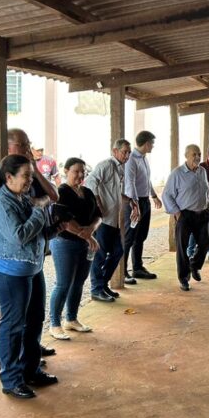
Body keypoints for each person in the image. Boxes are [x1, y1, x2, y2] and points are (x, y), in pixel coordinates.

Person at [0, 154, 67, 400]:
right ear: (9, 177)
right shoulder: (1, 203)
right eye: (26, 176)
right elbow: (18, 236)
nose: (30, 180)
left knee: (35, 319)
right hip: (8, 273)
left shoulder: (20, 198)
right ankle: (11, 379)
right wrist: (40, 213)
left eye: (31, 175)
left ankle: (30, 370)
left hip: (30, 268)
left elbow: (33, 234)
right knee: (14, 325)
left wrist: (54, 229)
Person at [48, 158, 101, 341]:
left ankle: (71, 319)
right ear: (66, 171)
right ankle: (54, 323)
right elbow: (64, 219)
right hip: (64, 242)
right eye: (76, 171)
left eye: (83, 171)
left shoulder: (87, 192)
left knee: (78, 282)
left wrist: (91, 230)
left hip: (84, 243)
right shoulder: (61, 191)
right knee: (63, 283)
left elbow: (98, 216)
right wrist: (86, 234)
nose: (80, 175)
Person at [86, 139, 135, 302]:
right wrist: (98, 204)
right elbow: (91, 182)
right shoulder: (106, 164)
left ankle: (103, 284)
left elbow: (115, 193)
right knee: (99, 255)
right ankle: (96, 288)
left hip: (113, 220)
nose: (127, 155)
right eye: (124, 152)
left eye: (129, 152)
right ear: (115, 151)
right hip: (103, 221)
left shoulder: (119, 168)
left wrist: (130, 200)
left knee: (117, 252)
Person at [164, 144, 209, 291]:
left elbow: (205, 192)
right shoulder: (177, 174)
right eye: (194, 154)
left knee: (205, 243)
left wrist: (207, 207)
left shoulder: (202, 171)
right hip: (186, 215)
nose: (197, 157)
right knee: (182, 247)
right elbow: (167, 195)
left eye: (199, 154)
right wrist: (177, 213)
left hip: (202, 214)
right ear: (186, 156)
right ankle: (184, 278)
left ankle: (194, 265)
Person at [123, 131, 162, 284]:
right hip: (134, 203)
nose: (153, 146)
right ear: (146, 143)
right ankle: (123, 271)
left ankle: (137, 267)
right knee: (129, 237)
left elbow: (147, 180)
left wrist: (153, 195)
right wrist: (135, 205)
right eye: (152, 143)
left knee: (141, 236)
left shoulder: (144, 159)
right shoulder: (131, 160)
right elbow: (130, 183)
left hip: (144, 201)